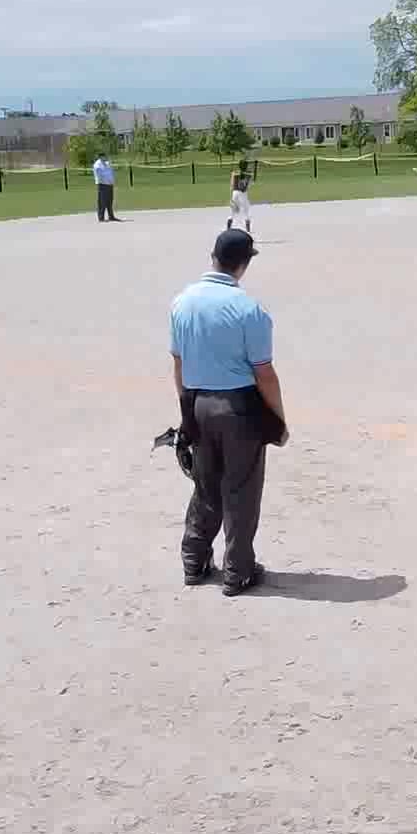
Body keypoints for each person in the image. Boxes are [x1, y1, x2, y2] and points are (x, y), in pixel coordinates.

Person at [170, 229, 289, 596]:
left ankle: (194, 561)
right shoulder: (249, 309)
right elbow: (264, 373)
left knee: (206, 486)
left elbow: (178, 363)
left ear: (213, 257)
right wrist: (278, 420)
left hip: (197, 403)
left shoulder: (182, 302)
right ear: (245, 263)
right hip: (238, 408)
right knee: (241, 490)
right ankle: (238, 571)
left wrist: (187, 412)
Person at [93, 153, 120, 222]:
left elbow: (111, 172)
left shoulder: (107, 163)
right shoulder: (97, 165)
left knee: (110, 201)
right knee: (102, 202)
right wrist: (106, 181)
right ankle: (101, 217)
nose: (105, 158)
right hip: (103, 185)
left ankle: (111, 216)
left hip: (110, 185)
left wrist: (112, 181)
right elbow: (100, 176)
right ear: (100, 157)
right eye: (104, 157)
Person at [228, 160, 253, 231]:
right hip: (243, 193)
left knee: (232, 212)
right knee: (246, 211)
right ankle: (248, 231)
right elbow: (248, 185)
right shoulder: (248, 174)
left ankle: (228, 228)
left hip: (235, 193)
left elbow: (232, 185)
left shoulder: (234, 173)